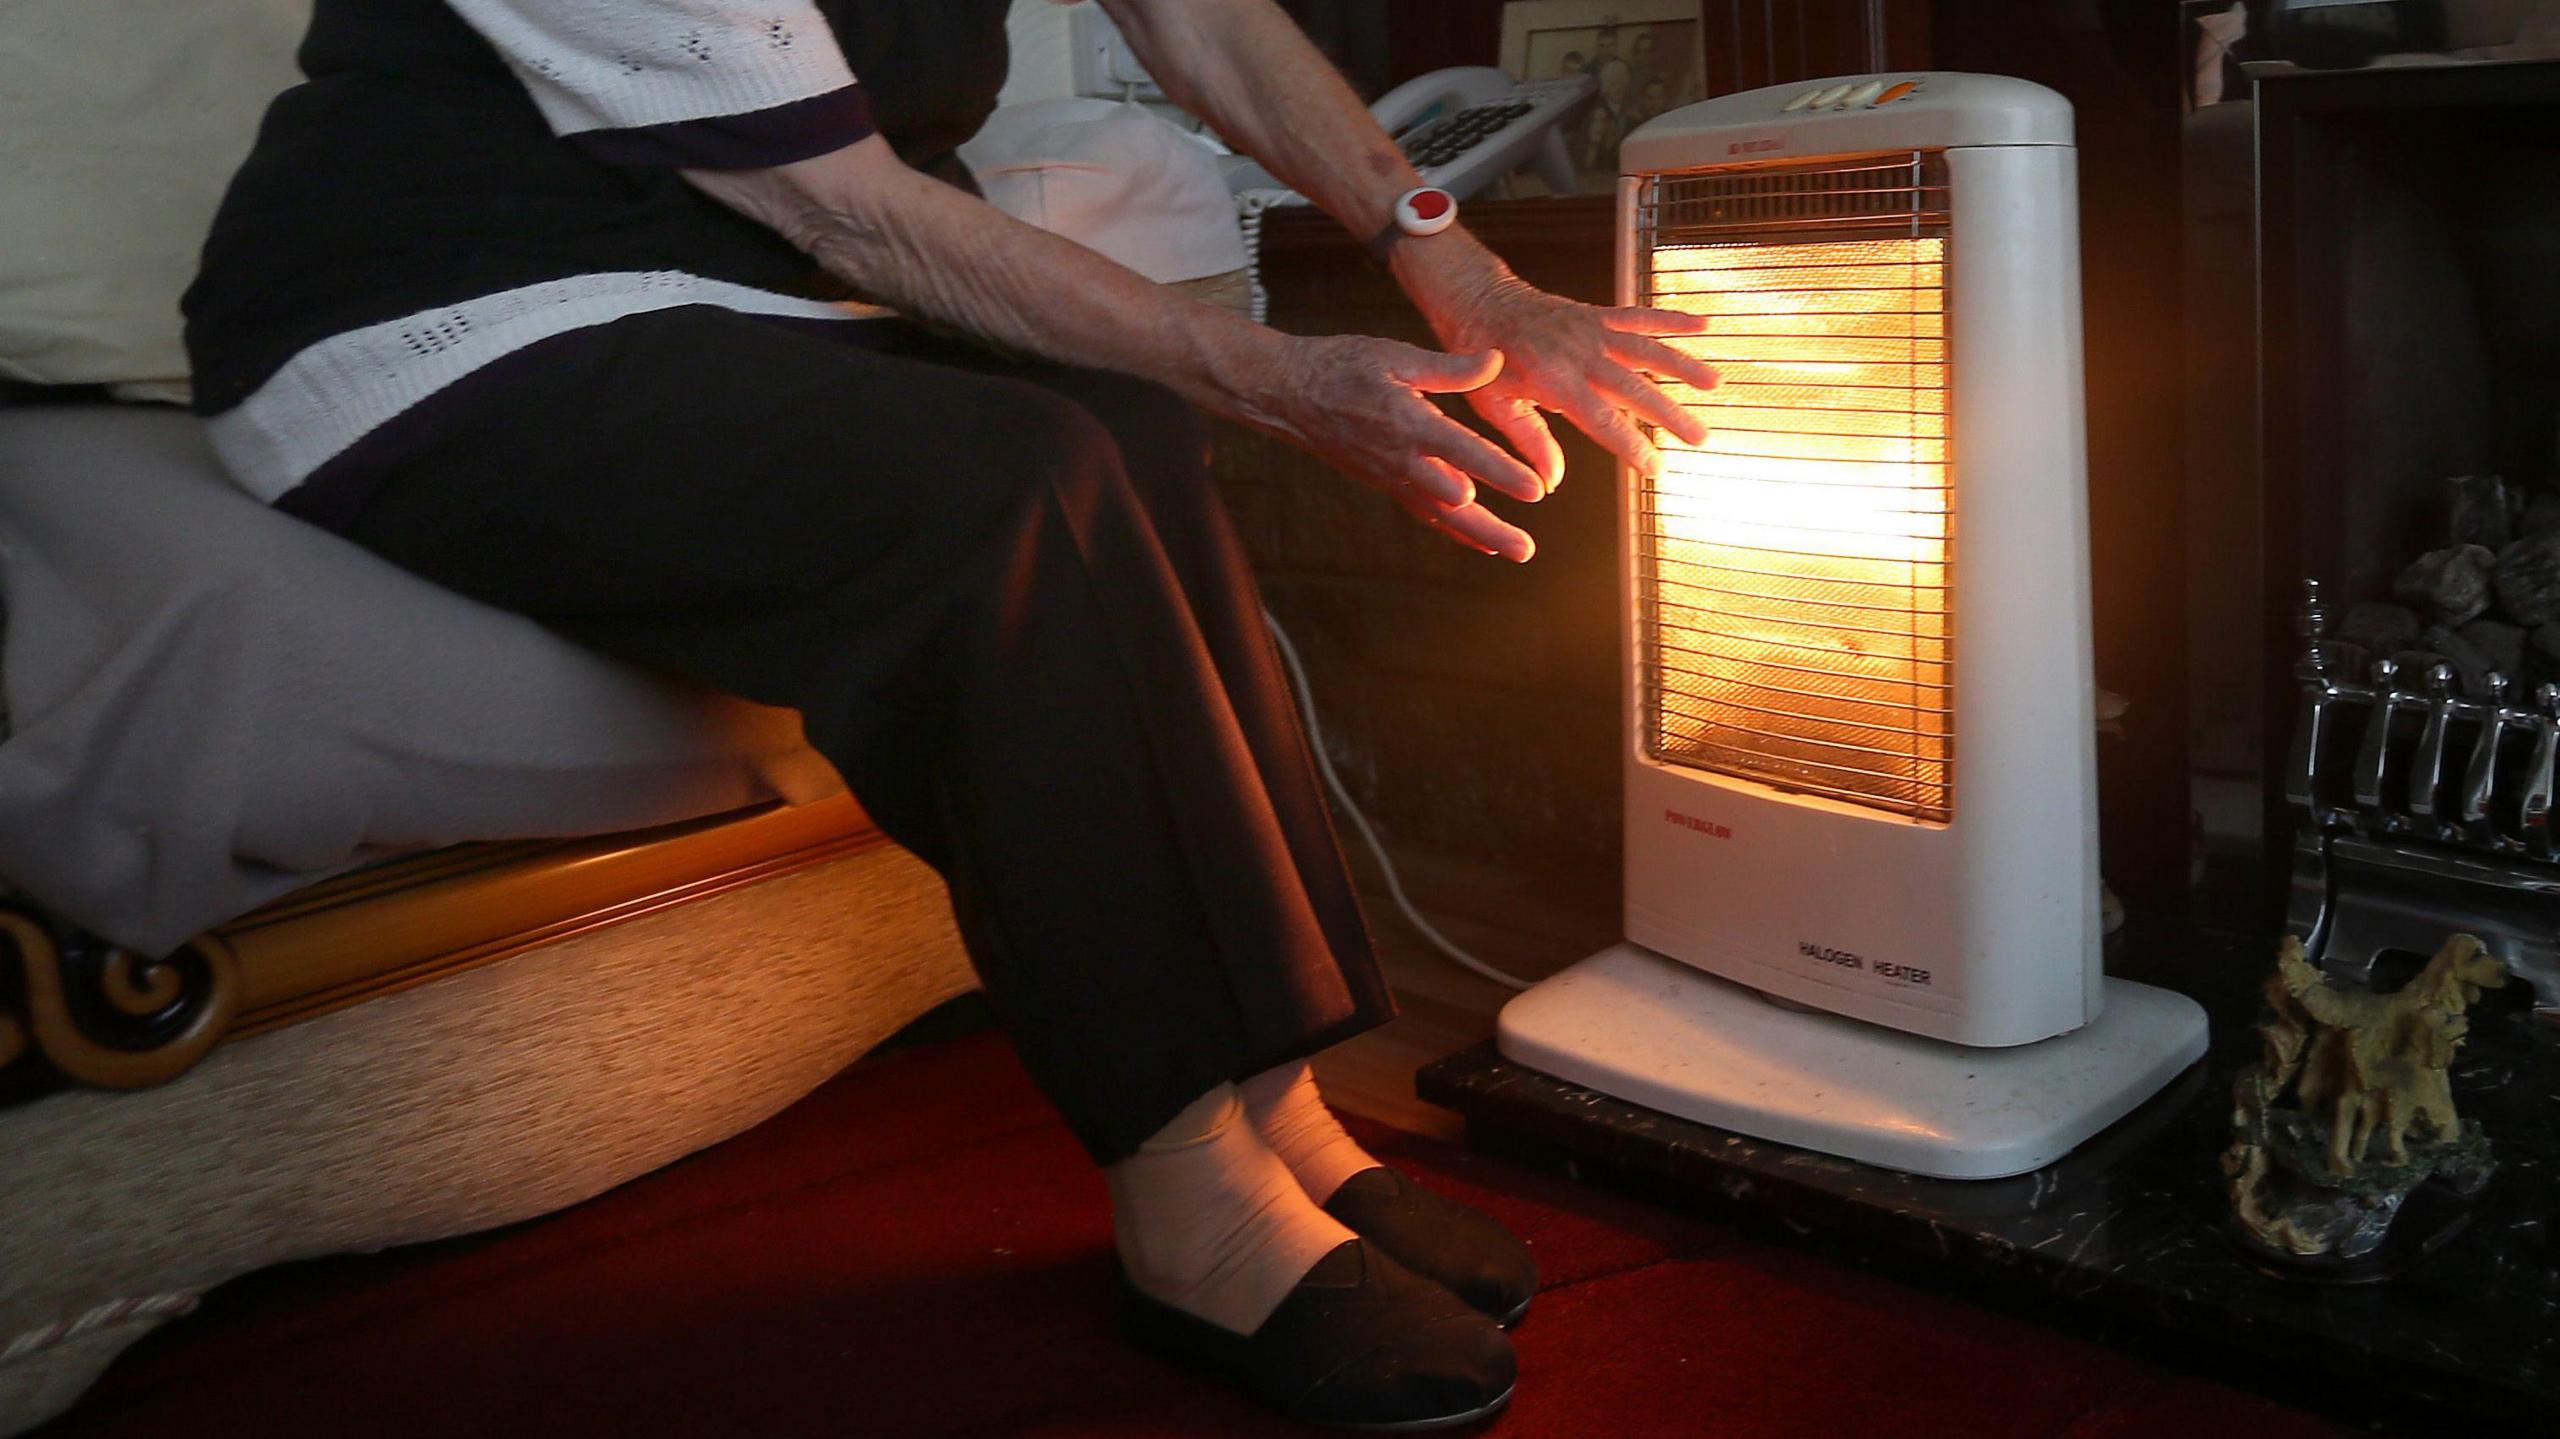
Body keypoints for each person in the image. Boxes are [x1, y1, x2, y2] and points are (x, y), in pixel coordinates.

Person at [182, 0, 1717, 1429]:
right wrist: (1279, 377)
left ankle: (1282, 1102)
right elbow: (848, 206)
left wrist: (1463, 271)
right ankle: (1187, 1191)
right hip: (434, 317)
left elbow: (1199, 17)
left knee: (1130, 433)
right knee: (1012, 490)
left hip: (742, 288)